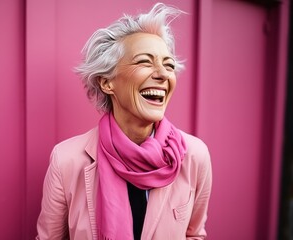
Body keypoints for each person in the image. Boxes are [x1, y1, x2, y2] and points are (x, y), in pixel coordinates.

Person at [36, 3, 212, 239]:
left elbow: (194, 235)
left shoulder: (194, 155)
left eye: (168, 65)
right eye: (144, 62)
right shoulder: (66, 159)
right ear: (107, 83)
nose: (162, 74)